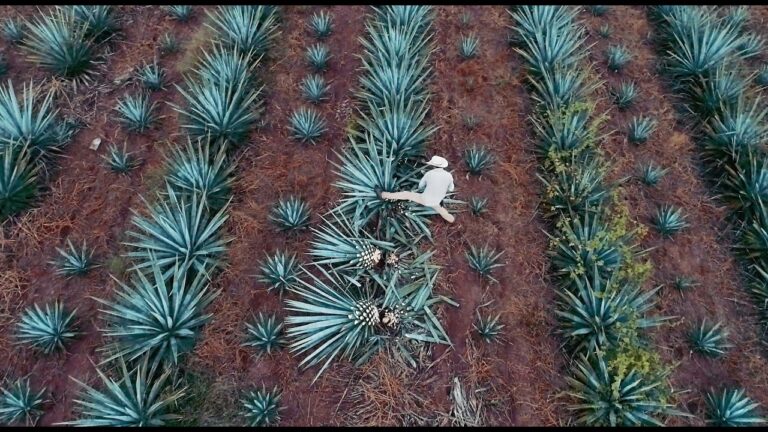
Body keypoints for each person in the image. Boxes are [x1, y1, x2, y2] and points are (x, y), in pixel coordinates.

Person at [376, 155, 456, 223]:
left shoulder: (429, 174)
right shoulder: (449, 176)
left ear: (433, 166)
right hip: (437, 200)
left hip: (425, 199)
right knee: (443, 212)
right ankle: (452, 219)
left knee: (406, 194)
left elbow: (420, 186)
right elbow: (451, 189)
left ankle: (383, 195)